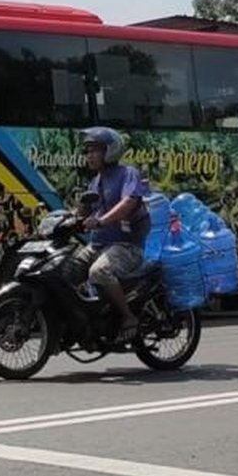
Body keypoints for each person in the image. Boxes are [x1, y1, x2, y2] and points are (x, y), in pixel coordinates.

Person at [75, 126, 150, 342]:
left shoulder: (128, 174)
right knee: (66, 267)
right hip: (97, 247)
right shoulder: (95, 181)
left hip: (126, 246)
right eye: (87, 150)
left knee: (100, 271)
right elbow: (82, 210)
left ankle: (128, 317)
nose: (89, 155)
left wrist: (101, 221)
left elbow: (129, 202)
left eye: (95, 150)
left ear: (110, 150)